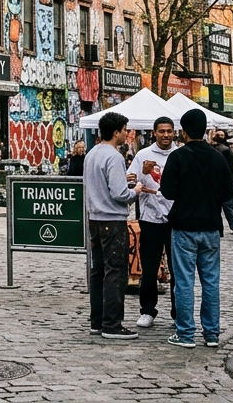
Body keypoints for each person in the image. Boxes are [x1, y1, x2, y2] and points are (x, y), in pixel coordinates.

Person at [159, 109, 233, 349]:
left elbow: (167, 191)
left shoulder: (178, 157)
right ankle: (211, 333)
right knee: (210, 282)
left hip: (184, 226)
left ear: (183, 130)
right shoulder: (218, 157)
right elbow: (228, 193)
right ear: (206, 130)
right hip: (211, 227)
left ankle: (186, 333)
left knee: (184, 282)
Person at [85, 113, 138, 339]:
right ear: (116, 132)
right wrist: (134, 191)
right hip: (112, 219)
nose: (127, 133)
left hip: (95, 218)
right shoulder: (114, 156)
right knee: (115, 272)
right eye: (125, 129)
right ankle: (112, 324)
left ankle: (97, 320)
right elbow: (119, 194)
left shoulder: (92, 153)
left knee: (98, 271)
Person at [129, 116, 177, 329]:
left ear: (174, 132)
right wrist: (133, 180)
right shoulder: (143, 155)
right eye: (162, 131)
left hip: (176, 219)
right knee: (149, 269)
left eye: (169, 131)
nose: (166, 135)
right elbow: (130, 178)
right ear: (154, 132)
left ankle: (179, 312)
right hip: (150, 219)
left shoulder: (179, 154)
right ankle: (147, 310)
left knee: (178, 270)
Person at [211, 130, 233, 233]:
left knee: (221, 206)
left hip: (218, 182)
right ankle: (231, 227)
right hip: (223, 182)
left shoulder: (218, 149)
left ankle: (223, 227)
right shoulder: (226, 150)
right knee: (226, 206)